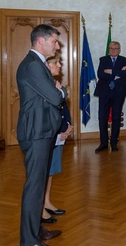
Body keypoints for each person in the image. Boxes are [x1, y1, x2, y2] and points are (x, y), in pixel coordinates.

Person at [16, 24, 66, 246]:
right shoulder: (34, 66)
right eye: (54, 41)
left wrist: (55, 90)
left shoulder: (37, 64)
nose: (57, 45)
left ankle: (36, 229)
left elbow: (50, 96)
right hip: (36, 133)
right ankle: (29, 240)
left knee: (39, 184)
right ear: (40, 41)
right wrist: (60, 90)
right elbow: (56, 98)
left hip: (42, 130)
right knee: (35, 188)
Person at [41, 55, 73, 224]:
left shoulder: (54, 83)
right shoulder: (45, 85)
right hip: (48, 134)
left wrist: (67, 126)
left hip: (58, 134)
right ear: (46, 65)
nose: (59, 65)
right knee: (44, 172)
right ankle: (40, 209)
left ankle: (46, 202)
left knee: (51, 171)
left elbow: (63, 107)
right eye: (56, 63)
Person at [94, 41, 126, 153]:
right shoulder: (103, 59)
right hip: (104, 92)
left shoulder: (124, 60)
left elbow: (125, 74)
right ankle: (103, 143)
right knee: (102, 117)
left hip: (118, 92)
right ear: (109, 49)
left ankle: (114, 142)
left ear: (119, 49)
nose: (113, 50)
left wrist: (110, 71)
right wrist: (117, 74)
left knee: (116, 118)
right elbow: (100, 74)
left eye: (116, 48)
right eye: (111, 48)